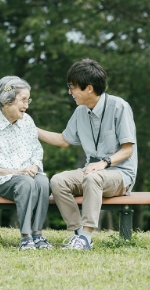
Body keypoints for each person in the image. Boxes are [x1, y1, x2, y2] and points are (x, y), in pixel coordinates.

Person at [38, 59, 138, 250]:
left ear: (89, 88)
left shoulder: (120, 107)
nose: (70, 92)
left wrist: (103, 163)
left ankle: (86, 236)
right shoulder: (80, 112)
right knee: (58, 181)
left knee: (93, 178)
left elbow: (128, 150)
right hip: (91, 171)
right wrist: (31, 128)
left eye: (73, 87)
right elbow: (63, 140)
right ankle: (80, 236)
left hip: (120, 174)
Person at [0, 76, 52, 250]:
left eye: (28, 100)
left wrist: (34, 166)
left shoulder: (28, 122)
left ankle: (37, 235)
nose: (27, 105)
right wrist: (17, 173)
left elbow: (37, 151)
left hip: (25, 176)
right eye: (23, 100)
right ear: (7, 101)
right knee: (25, 182)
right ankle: (25, 237)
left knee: (43, 181)